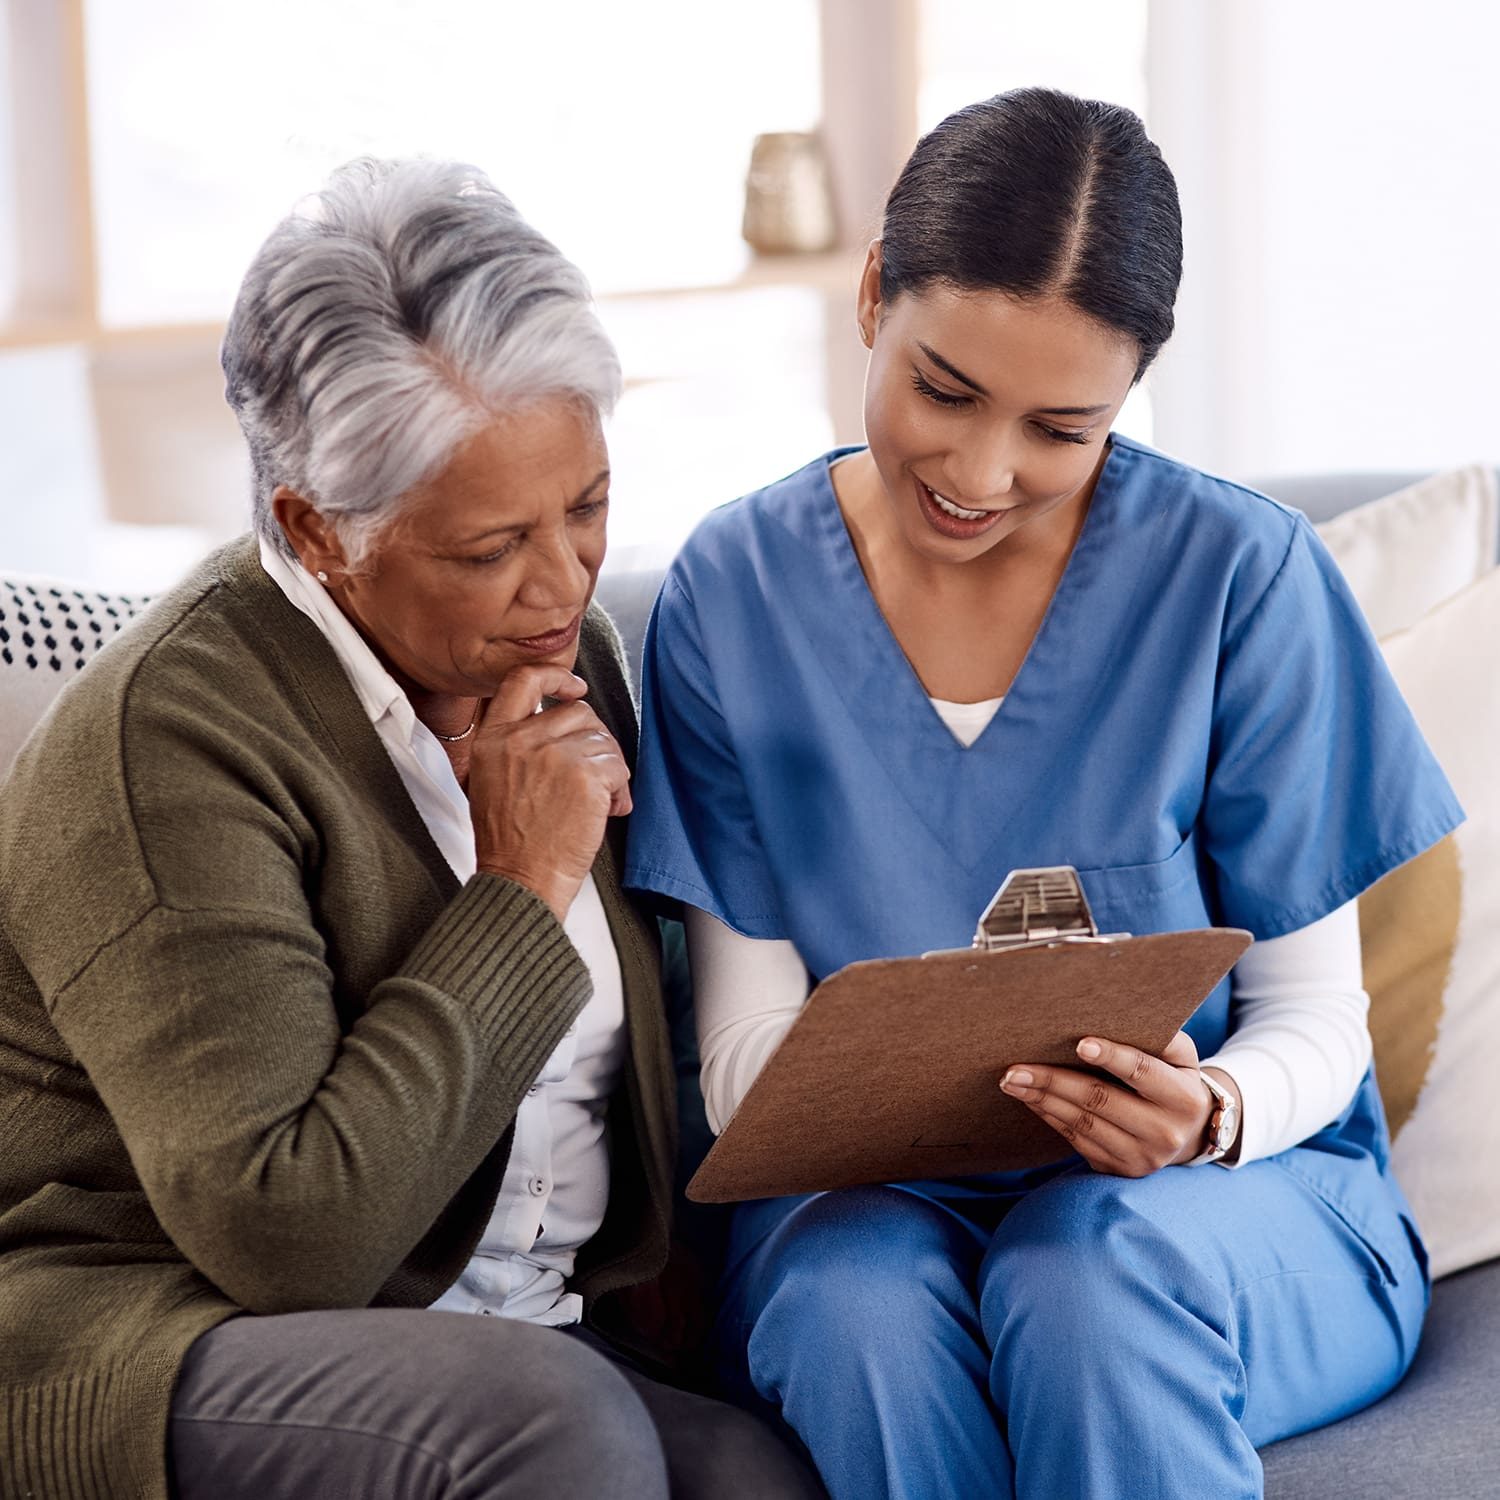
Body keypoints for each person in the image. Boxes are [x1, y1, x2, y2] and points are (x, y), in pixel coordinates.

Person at [624, 89, 1463, 1500]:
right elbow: (743, 1043)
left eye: (1061, 429)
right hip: (862, 1219)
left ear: (1132, 394)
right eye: (943, 390)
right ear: (875, 294)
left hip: (1212, 1211)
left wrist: (1204, 1116)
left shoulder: (1239, 583)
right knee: (854, 1309)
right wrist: (882, 1109)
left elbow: (1316, 1026)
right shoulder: (737, 594)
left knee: (1092, 1265)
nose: (980, 472)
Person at [0, 159, 821, 1500]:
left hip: (509, 1331)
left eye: (589, 507)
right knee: (555, 1425)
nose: (562, 585)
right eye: (491, 546)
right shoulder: (168, 745)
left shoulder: (569, 664)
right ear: (318, 530)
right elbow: (291, 1241)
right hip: (148, 1331)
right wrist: (521, 883)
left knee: (754, 1473)